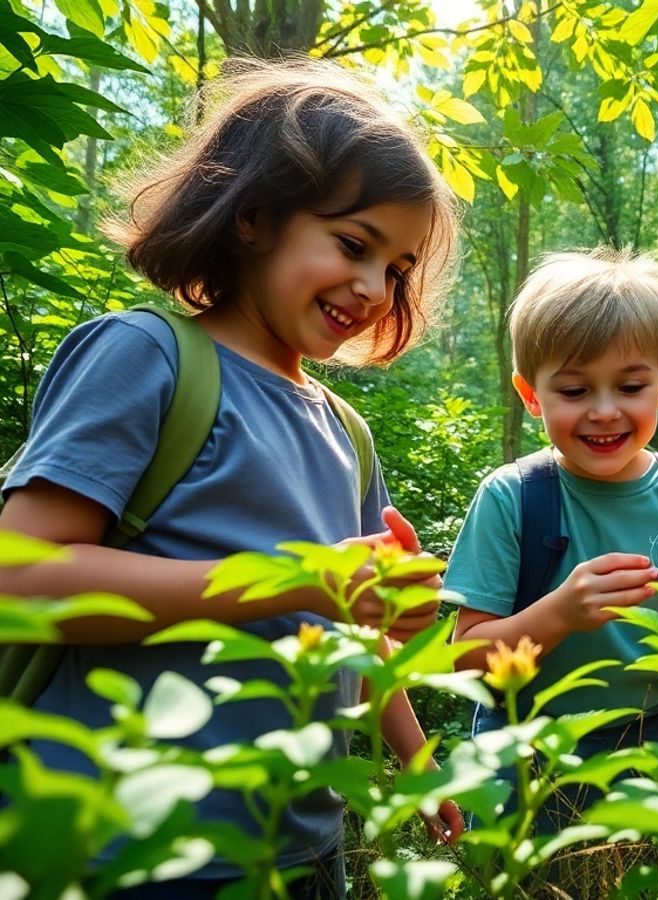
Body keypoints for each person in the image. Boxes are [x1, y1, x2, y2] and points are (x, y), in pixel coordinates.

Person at [0, 59, 462, 897]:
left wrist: (415, 747)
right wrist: (294, 580)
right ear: (254, 216)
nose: (371, 287)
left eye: (396, 268)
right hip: (119, 849)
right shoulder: (148, 357)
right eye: (354, 245)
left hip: (301, 852)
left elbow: (357, 633)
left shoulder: (345, 432)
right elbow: (20, 578)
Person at [447, 249, 658, 830]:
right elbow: (466, 657)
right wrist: (560, 612)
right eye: (574, 391)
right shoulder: (512, 498)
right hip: (526, 750)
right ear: (530, 394)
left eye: (630, 385)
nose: (605, 411)